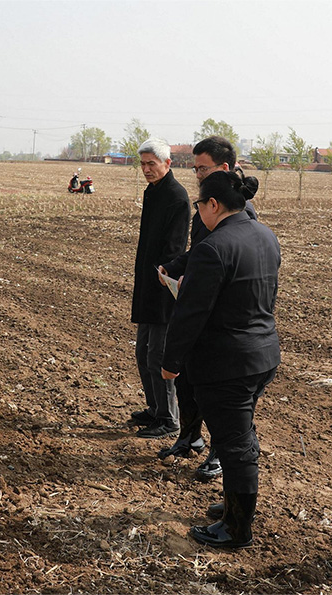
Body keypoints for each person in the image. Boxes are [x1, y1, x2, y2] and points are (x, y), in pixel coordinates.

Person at [161, 170, 280, 548]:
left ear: (213, 204)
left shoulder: (213, 248)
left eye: (199, 205)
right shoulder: (266, 235)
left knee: (234, 443)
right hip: (263, 354)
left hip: (227, 363)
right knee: (240, 436)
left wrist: (171, 362)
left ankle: (237, 528)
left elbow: (190, 313)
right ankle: (234, 506)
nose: (198, 212)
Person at [158, 136, 259, 483]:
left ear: (223, 168)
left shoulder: (238, 211)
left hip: (222, 323)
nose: (197, 174)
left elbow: (222, 260)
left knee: (221, 397)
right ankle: (190, 436)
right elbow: (199, 250)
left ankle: (219, 452)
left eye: (202, 168)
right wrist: (174, 266)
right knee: (189, 381)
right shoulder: (207, 206)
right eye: (196, 168)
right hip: (202, 303)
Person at [128, 138, 190, 439]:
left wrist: (163, 274)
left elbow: (175, 248)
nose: (146, 169)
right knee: (142, 353)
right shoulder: (153, 192)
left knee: (158, 356)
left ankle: (168, 419)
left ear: (168, 163)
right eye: (142, 164)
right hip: (147, 285)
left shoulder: (177, 197)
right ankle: (155, 409)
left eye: (151, 163)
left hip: (163, 287)